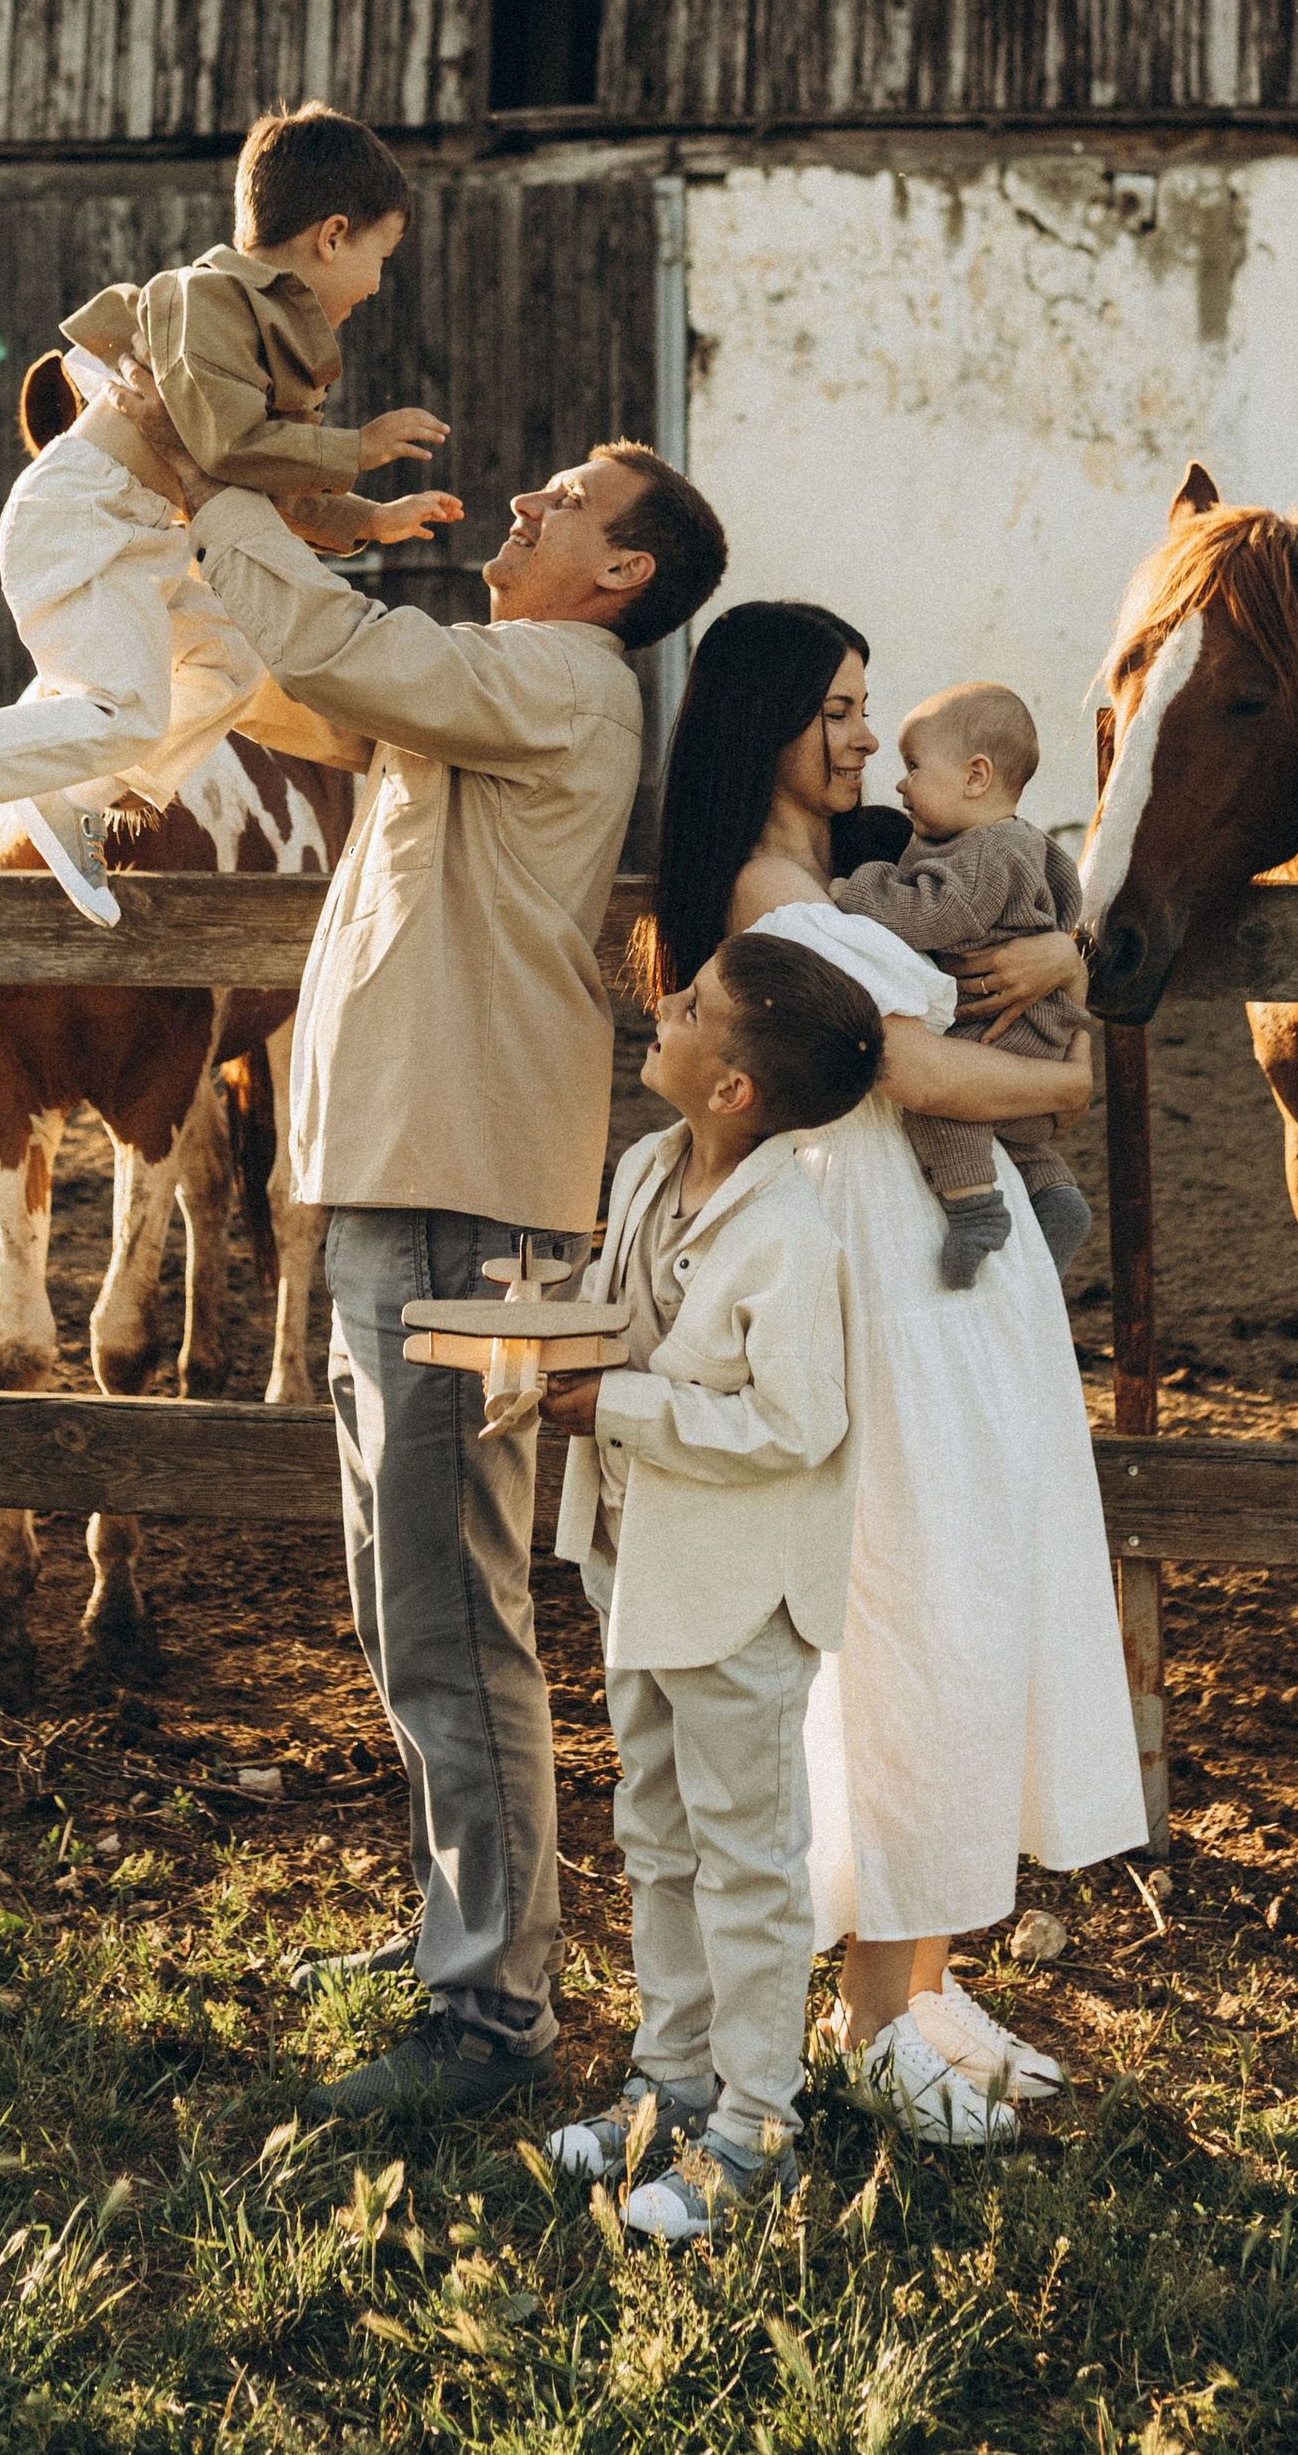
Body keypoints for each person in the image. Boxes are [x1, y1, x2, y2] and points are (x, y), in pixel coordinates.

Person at [116, 364, 727, 2118]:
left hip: (472, 1202)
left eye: (563, 502)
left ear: (618, 577)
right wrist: (206, 554)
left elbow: (355, 662)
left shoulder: (556, 677)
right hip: (413, 1181)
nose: (523, 506)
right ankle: (468, 1931)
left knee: (457, 1608)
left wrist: (218, 487)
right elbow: (311, 690)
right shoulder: (489, 693)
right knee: (414, 1595)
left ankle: (493, 2016)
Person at [645, 601, 1149, 2143]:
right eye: (842, 709)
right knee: (915, 1611)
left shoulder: (857, 873)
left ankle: (922, 1976)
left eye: (872, 708)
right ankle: (874, 2011)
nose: (868, 736)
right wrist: (1070, 1069)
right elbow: (909, 1067)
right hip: (876, 1268)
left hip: (950, 1273)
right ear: (771, 720)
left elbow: (1014, 907)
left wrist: (1065, 939)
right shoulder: (759, 896)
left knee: (972, 1597)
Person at [0, 102, 456, 923]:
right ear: (333, 234)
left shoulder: (277, 339)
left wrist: (371, 519)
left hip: (137, 536)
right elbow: (230, 445)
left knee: (231, 658)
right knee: (125, 710)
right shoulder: (206, 302)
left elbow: (277, 489)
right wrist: (360, 446)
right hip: (81, 518)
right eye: (383, 255)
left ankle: (82, 798)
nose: (380, 283)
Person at [538, 929, 880, 2243]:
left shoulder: (793, 1230)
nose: (661, 1010)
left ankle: (756, 2124)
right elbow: (627, 1325)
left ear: (732, 1086)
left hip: (738, 1588)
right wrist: (541, 1348)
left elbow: (795, 1426)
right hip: (637, 1562)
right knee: (657, 1830)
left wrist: (615, 1403)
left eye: (686, 1007)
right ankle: (669, 2082)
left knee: (745, 1853)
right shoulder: (644, 1169)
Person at [831, 678, 1094, 1288]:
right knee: (1007, 1130)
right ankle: (1055, 1195)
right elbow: (1068, 903)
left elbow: (931, 914)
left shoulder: (984, 852)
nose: (901, 783)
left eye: (914, 766)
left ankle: (974, 1211)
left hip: (1003, 1027)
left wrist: (859, 890)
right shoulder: (1025, 841)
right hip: (1040, 1026)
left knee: (947, 1104)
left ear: (976, 777)